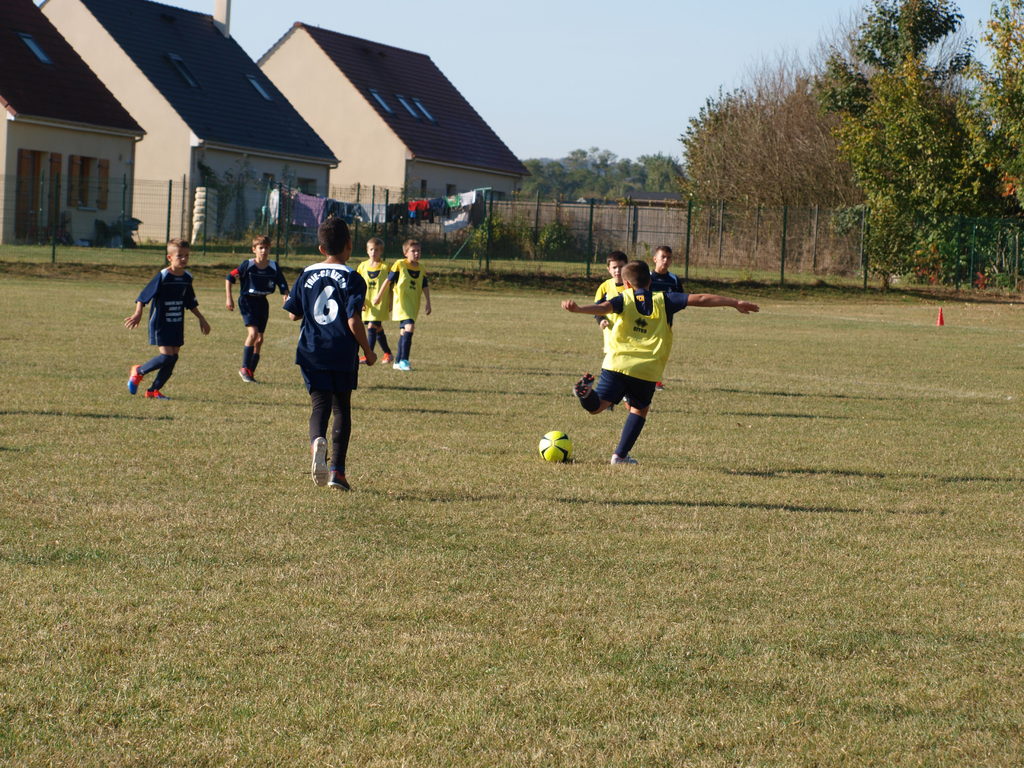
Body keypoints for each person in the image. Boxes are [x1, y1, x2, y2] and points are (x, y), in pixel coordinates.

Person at [562, 260, 759, 465]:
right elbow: (700, 298)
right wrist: (734, 302)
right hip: (647, 368)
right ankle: (619, 456)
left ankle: (586, 394)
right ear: (650, 281)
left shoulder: (623, 298)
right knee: (639, 409)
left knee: (596, 407)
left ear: (627, 284)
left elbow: (603, 307)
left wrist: (578, 309)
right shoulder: (664, 299)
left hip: (617, 363)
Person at [283, 217, 376, 491]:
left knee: (319, 405)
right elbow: (353, 320)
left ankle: (316, 443)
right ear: (349, 245)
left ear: (321, 249)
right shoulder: (353, 277)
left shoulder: (306, 274)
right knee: (341, 408)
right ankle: (337, 472)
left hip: (312, 351)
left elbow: (293, 314)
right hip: (341, 351)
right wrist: (368, 351)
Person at [125, 238, 211, 399]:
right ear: (170, 257)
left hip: (177, 323)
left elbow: (190, 302)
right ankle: (139, 371)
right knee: (166, 356)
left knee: (173, 357)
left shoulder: (187, 278)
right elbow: (143, 297)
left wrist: (201, 318)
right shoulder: (163, 276)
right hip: (161, 323)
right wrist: (138, 313)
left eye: (186, 255)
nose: (184, 259)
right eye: (180, 256)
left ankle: (153, 390)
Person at [225, 235, 290, 382]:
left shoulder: (273, 266)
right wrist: (229, 298)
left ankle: (250, 372)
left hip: (262, 303)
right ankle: (244, 368)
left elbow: (283, 284)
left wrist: (285, 295)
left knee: (259, 340)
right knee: (253, 333)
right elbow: (229, 278)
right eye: (261, 248)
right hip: (247, 301)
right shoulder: (247, 265)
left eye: (266, 248)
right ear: (254, 249)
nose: (264, 251)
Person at [372, 238, 431, 371]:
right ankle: (404, 360)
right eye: (413, 251)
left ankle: (397, 362)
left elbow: (425, 285)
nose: (417, 253)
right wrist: (379, 296)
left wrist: (428, 302)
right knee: (410, 327)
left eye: (418, 251)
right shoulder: (400, 265)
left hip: (414, 304)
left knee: (404, 331)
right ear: (405, 253)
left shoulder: (421, 268)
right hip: (401, 304)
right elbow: (388, 281)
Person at [648, 245, 683, 390]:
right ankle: (646, 379)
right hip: (648, 322)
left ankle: (656, 380)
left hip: (666, 323)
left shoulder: (674, 279)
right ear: (655, 259)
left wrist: (668, 309)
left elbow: (681, 300)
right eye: (663, 257)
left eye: (669, 258)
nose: (666, 260)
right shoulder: (647, 277)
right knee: (648, 350)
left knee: (661, 352)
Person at [356, 236, 394, 365]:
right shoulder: (362, 266)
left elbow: (392, 286)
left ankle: (368, 354)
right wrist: (360, 301)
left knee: (372, 326)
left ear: (381, 251)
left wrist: (391, 301)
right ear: (367, 250)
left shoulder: (386, 267)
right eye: (371, 249)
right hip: (367, 303)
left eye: (377, 250)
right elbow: (358, 285)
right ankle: (388, 354)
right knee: (377, 328)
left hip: (380, 303)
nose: (374, 252)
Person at [594, 251, 628, 353]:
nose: (618, 270)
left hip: (629, 333)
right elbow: (597, 309)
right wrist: (601, 320)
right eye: (614, 267)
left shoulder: (633, 286)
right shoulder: (604, 287)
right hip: (611, 333)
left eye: (621, 267)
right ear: (609, 269)